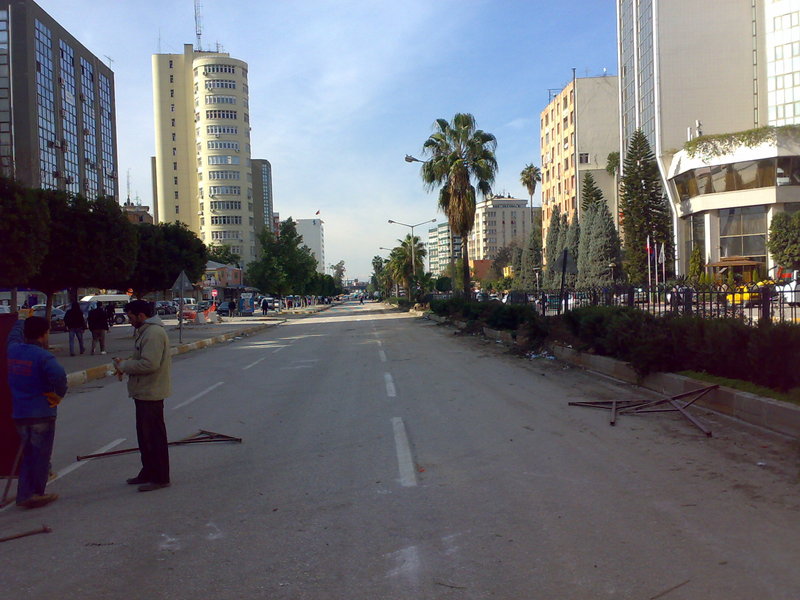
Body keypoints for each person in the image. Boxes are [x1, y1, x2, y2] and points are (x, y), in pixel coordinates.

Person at [7, 316, 68, 508]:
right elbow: (59, 375)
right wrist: (58, 394)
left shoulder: (13, 350)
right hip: (41, 412)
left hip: (20, 413)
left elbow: (13, 334)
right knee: (40, 456)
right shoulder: (43, 356)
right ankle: (33, 493)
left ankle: (25, 493)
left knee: (29, 455)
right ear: (44, 334)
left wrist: (21, 319)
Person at [113, 300, 172, 492]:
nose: (129, 321)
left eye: (130, 317)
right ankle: (148, 472)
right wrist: (127, 363)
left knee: (154, 438)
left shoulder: (153, 333)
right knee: (144, 437)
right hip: (142, 392)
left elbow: (149, 364)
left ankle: (161, 477)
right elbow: (140, 359)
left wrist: (124, 366)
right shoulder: (145, 331)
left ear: (141, 315)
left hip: (151, 393)